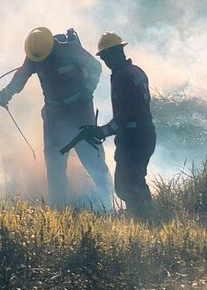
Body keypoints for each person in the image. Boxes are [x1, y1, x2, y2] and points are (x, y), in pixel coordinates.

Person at [0, 27, 113, 209]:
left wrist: (88, 89)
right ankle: (59, 210)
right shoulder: (36, 55)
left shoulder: (70, 50)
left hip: (81, 113)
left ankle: (109, 205)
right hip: (54, 117)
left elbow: (96, 67)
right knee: (55, 167)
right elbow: (21, 77)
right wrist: (6, 94)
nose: (42, 61)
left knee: (93, 161)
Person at [64, 33, 156, 218]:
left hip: (133, 138)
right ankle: (150, 217)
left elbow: (125, 116)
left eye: (105, 56)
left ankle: (142, 221)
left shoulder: (122, 77)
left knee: (126, 185)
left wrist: (102, 131)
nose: (105, 61)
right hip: (146, 134)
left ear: (114, 53)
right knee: (136, 180)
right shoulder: (137, 71)